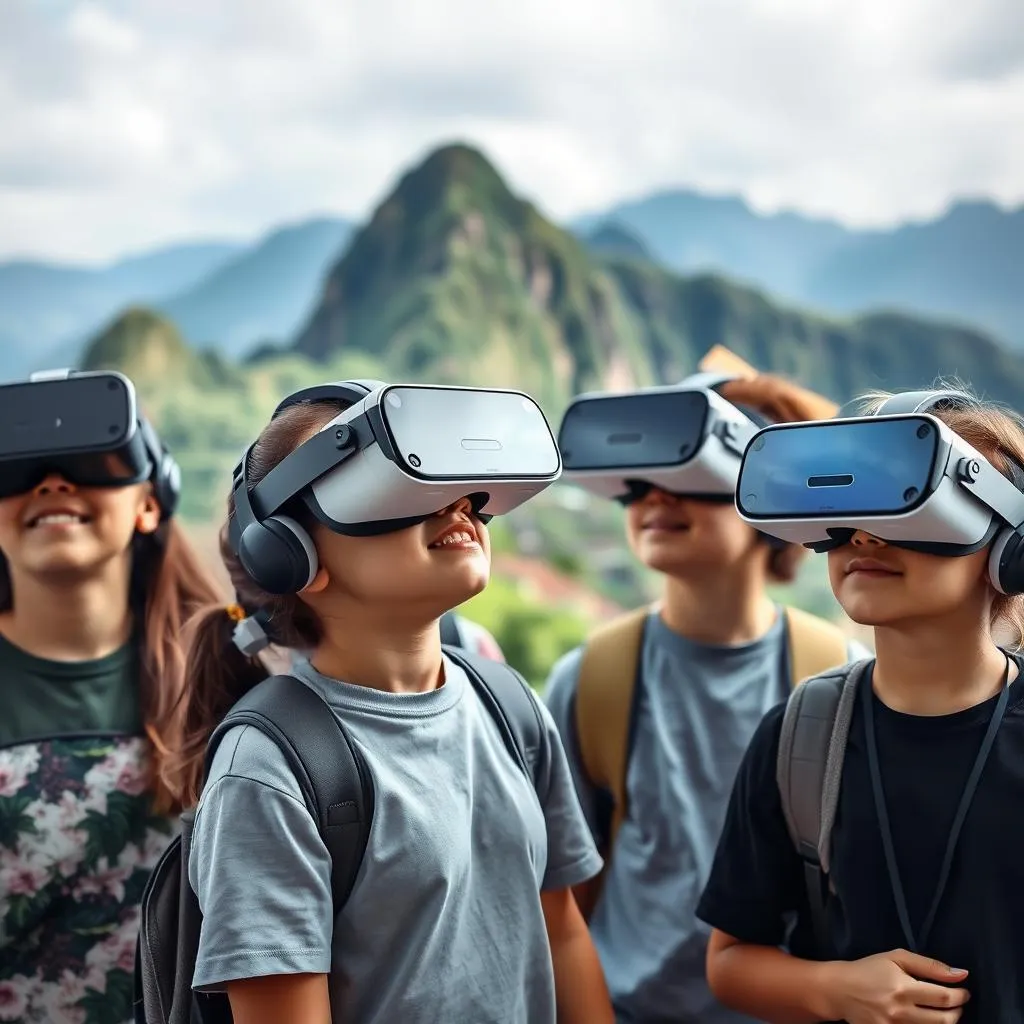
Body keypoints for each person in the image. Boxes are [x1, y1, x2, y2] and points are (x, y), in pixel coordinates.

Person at [170, 382, 614, 1024]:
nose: (457, 504)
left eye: (455, 482)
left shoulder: (511, 706)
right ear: (293, 555)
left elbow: (563, 932)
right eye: (400, 484)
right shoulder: (268, 773)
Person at [545, 370, 870, 1023]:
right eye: (636, 481)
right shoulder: (592, 679)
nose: (655, 498)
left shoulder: (840, 680)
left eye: (691, 478)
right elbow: (561, 907)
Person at [697, 386, 1024, 1023]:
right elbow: (730, 960)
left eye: (913, 507)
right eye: (847, 507)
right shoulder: (801, 736)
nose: (866, 537)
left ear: (1010, 547)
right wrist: (836, 990)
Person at [0, 369, 221, 1024]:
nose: (52, 481)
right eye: (15, 465)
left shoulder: (221, 683)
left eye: (92, 457)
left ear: (150, 500)